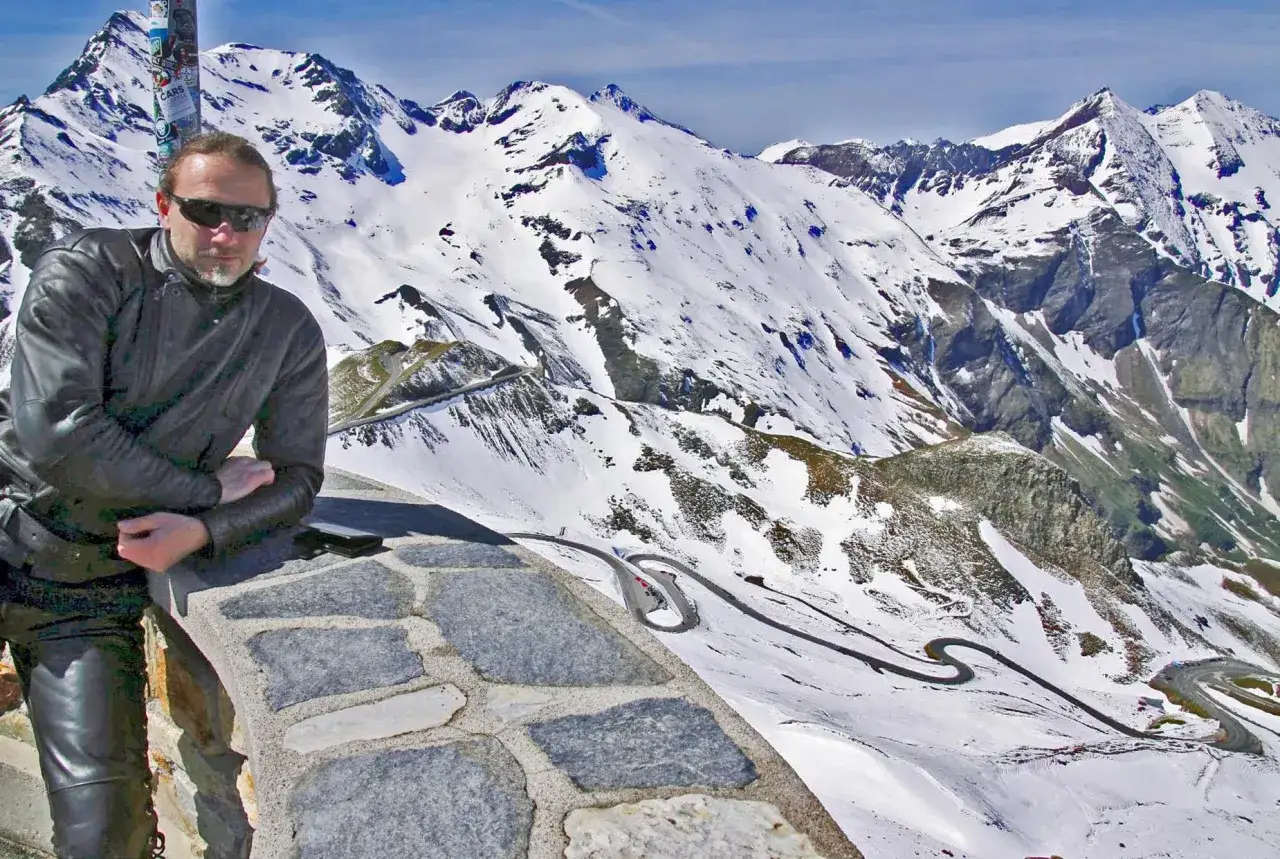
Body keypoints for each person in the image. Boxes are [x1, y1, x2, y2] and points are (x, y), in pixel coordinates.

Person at [0, 131, 329, 858]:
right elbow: (60, 433)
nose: (226, 233)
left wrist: (204, 531)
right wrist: (206, 490)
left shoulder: (285, 330)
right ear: (163, 205)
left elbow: (299, 475)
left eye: (248, 217)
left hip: (83, 593)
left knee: (106, 834)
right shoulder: (88, 271)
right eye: (205, 209)